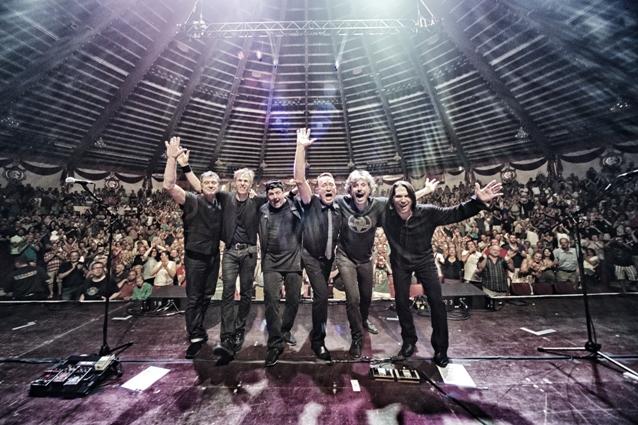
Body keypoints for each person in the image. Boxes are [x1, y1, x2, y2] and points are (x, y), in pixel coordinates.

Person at [382, 179, 503, 367]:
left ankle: (440, 349)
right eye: (398, 196)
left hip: (424, 261)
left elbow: (455, 213)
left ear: (413, 197)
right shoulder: (386, 215)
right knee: (401, 302)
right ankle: (409, 341)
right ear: (392, 199)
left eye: (407, 196)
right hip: (400, 263)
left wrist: (476, 202)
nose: (403, 200)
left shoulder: (428, 212)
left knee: (437, 303)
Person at [335, 170, 436, 359]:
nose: (359, 188)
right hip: (345, 257)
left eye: (363, 185)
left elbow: (402, 202)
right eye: (355, 185)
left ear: (369, 188)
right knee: (353, 298)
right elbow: (320, 202)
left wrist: (426, 190)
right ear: (350, 189)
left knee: (366, 296)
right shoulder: (342, 202)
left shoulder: (379, 204)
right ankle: (357, 338)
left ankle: (364, 320)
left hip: (366, 258)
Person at [179, 151, 267, 360]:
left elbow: (278, 198)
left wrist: (296, 185)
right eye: (240, 180)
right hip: (229, 252)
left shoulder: (257, 201)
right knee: (228, 292)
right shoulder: (225, 197)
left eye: (246, 180)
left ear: (251, 184)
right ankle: (226, 336)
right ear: (234, 182)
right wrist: (186, 167)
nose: (243, 183)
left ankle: (239, 329)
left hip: (249, 252)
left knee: (246, 294)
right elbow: (201, 187)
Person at [163, 136, 223, 359]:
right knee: (194, 297)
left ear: (219, 186)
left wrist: (187, 167)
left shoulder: (220, 203)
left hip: (213, 256)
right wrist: (172, 159)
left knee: (207, 295)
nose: (211, 185)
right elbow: (169, 186)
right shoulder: (192, 200)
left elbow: (204, 186)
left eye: (214, 183)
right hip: (195, 257)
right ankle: (195, 336)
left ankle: (198, 327)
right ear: (201, 186)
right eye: (207, 183)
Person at [293, 128, 342, 361]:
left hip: (329, 259)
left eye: (331, 184)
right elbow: (299, 179)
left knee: (320, 298)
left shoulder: (341, 207)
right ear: (318, 188)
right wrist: (300, 147)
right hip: (310, 257)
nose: (328, 187)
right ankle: (318, 342)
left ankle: (317, 331)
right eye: (324, 184)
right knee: (322, 295)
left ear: (336, 188)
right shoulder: (310, 201)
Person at [259, 180, 304, 367]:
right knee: (271, 301)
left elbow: (302, 192)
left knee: (293, 299)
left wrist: (296, 187)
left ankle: (285, 330)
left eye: (278, 193)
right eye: (271, 194)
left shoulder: (295, 206)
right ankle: (275, 344)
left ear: (283, 193)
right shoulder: (262, 210)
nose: (275, 197)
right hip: (271, 261)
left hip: (293, 259)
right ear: (267, 196)